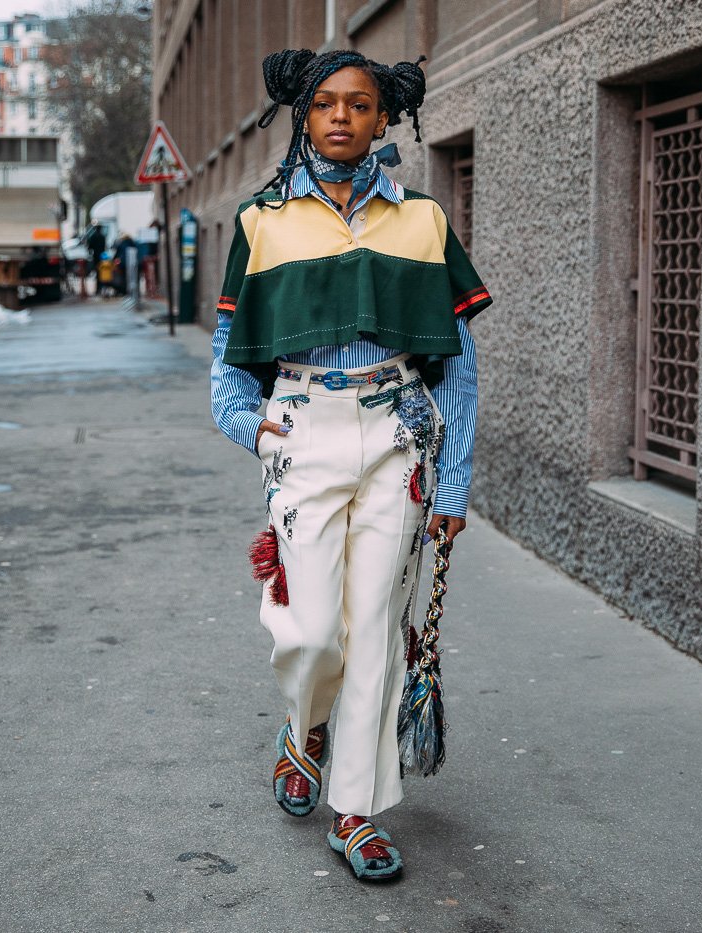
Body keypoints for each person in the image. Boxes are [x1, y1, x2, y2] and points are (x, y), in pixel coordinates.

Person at [210, 48, 491, 883]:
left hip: (400, 432)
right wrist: (255, 429)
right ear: (304, 115)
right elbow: (229, 362)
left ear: (383, 118)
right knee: (311, 631)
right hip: (303, 430)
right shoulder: (263, 221)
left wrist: (456, 476)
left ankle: (357, 809)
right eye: (326, 103)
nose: (341, 116)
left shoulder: (423, 221)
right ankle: (304, 731)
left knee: (374, 630)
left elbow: (460, 365)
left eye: (360, 105)